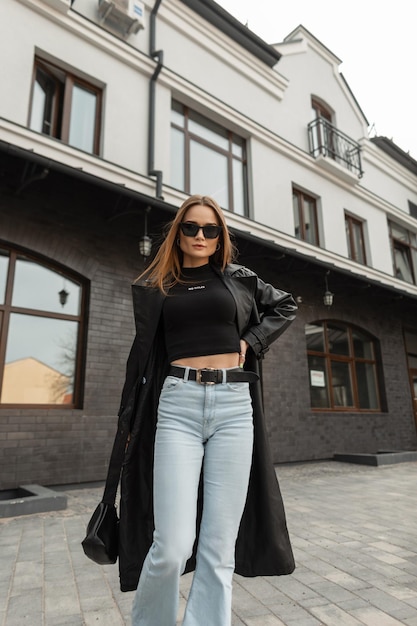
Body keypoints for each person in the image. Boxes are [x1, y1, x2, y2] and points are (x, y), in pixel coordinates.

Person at [115, 194, 297, 626]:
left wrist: (251, 342)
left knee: (219, 545)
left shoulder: (239, 279)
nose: (200, 235)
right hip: (177, 405)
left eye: (210, 230)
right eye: (191, 228)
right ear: (177, 234)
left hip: (234, 408)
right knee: (173, 543)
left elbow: (286, 305)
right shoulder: (158, 286)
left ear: (220, 238)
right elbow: (143, 358)